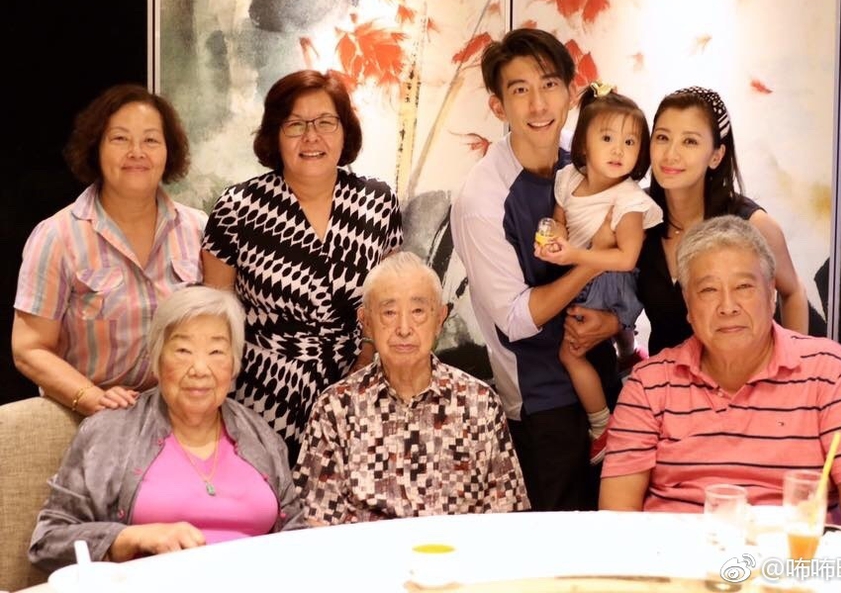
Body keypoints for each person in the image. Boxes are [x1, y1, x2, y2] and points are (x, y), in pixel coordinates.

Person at [599, 216, 841, 530]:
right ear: (688, 305)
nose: (728, 306)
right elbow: (617, 514)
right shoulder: (649, 383)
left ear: (771, 293)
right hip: (676, 557)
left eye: (743, 287)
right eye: (709, 290)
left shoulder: (830, 370)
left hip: (795, 556)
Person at [450, 27, 621, 512]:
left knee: (619, 533)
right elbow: (516, 319)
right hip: (543, 401)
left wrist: (614, 322)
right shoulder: (482, 199)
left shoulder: (587, 156)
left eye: (549, 85)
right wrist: (591, 262)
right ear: (498, 106)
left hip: (607, 377)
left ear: (571, 91)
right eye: (520, 90)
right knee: (559, 541)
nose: (539, 104)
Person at [28, 286, 307, 572]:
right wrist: (130, 538)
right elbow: (48, 541)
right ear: (157, 359)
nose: (200, 368)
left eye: (216, 352)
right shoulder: (110, 432)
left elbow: (297, 535)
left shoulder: (260, 435)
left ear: (234, 365)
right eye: (183, 350)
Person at [201, 69, 403, 465]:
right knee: (269, 497)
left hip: (358, 389)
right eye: (295, 124)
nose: (311, 137)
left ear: (344, 131)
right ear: (275, 135)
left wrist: (365, 360)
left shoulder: (378, 203)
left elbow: (389, 302)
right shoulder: (238, 208)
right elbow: (215, 317)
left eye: (326, 122)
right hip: (262, 394)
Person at [12, 83, 207, 415]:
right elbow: (29, 348)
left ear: (168, 152)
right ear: (96, 149)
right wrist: (90, 397)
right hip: (89, 417)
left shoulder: (198, 230)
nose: (137, 152)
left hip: (180, 414)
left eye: (151, 140)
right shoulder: (57, 236)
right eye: (120, 139)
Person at [294, 251, 529, 524]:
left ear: (439, 319)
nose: (404, 328)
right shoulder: (335, 408)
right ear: (366, 322)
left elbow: (506, 518)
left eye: (418, 312)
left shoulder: (479, 403)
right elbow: (315, 521)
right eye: (389, 313)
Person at [534, 82, 662, 464]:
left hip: (610, 281)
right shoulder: (568, 179)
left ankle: (601, 424)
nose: (618, 150)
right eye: (607, 138)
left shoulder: (629, 200)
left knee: (570, 353)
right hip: (583, 273)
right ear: (584, 144)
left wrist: (574, 253)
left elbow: (627, 258)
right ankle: (628, 351)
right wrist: (554, 237)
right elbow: (560, 218)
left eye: (629, 142)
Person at [636, 85, 809, 354]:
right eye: (662, 137)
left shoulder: (753, 225)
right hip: (667, 377)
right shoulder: (635, 216)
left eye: (690, 141)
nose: (671, 154)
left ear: (716, 156)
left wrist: (793, 369)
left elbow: (794, 291)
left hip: (745, 372)